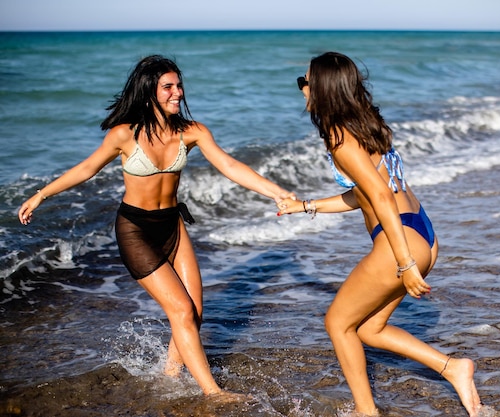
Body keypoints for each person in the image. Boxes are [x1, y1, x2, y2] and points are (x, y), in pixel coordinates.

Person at [19, 55, 294, 398]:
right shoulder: (124, 134)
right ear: (150, 91)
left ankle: (170, 375)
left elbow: (230, 165)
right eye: (168, 87)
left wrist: (276, 192)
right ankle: (213, 392)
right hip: (136, 230)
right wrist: (41, 195)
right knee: (180, 309)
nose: (177, 93)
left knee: (194, 312)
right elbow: (86, 169)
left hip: (172, 226)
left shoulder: (192, 131)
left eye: (179, 86)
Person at [277, 52, 485, 416]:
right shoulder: (365, 124)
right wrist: (306, 205)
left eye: (305, 81)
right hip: (423, 233)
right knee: (369, 329)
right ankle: (454, 368)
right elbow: (363, 195)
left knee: (337, 324)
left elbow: (380, 197)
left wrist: (405, 263)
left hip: (399, 242)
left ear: (323, 87)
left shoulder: (340, 137)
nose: (302, 88)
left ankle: (365, 412)